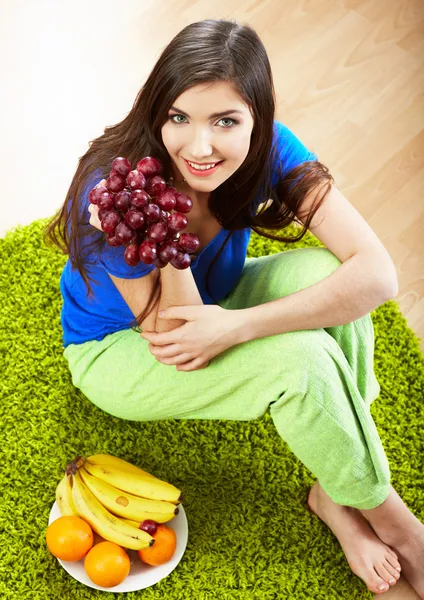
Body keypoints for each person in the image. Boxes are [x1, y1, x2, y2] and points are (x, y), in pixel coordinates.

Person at [44, 18, 424, 598]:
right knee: (301, 362)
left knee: (330, 276)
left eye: (226, 121)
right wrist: (161, 235)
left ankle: (334, 490)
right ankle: (398, 524)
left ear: (257, 119)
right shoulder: (116, 186)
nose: (200, 148)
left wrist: (241, 325)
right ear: (155, 113)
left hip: (218, 302)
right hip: (120, 349)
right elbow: (177, 336)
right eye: (179, 118)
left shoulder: (270, 147)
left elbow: (376, 274)